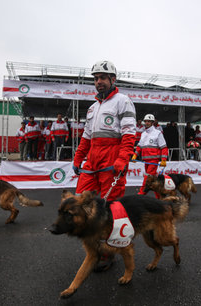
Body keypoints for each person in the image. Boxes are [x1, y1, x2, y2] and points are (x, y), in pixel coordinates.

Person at [72, 60, 136, 271]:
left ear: (112, 79)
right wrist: (78, 158)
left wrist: (122, 158)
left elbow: (128, 134)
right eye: (96, 78)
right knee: (82, 202)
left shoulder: (123, 101)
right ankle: (94, 246)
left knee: (109, 208)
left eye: (102, 78)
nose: (98, 81)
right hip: (92, 159)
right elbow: (87, 137)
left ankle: (109, 253)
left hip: (112, 158)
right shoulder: (92, 107)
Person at [132, 114, 168, 196]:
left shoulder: (158, 133)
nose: (147, 123)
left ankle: (141, 194)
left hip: (153, 160)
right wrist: (135, 155)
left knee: (147, 178)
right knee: (153, 180)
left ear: (152, 122)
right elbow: (139, 146)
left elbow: (164, 147)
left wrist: (163, 159)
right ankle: (159, 195)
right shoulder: (143, 133)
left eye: (149, 121)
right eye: (146, 121)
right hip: (146, 161)